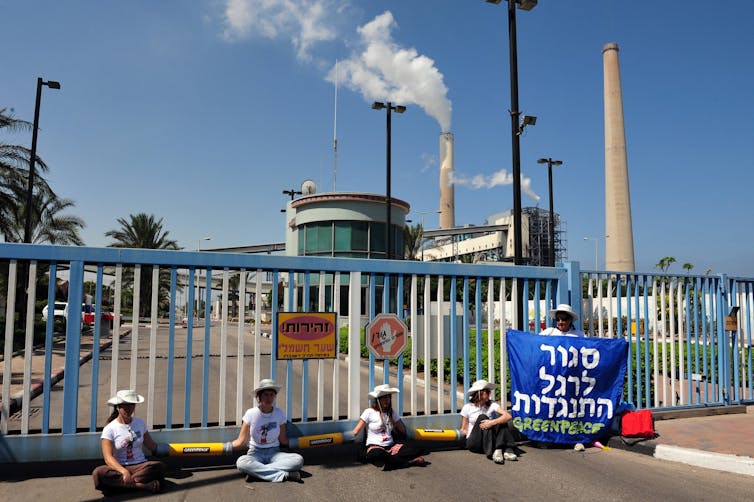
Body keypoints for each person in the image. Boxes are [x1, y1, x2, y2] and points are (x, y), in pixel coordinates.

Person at [224, 379, 304, 482]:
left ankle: (257, 473)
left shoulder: (279, 413)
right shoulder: (250, 413)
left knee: (298, 460)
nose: (269, 398)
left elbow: (283, 440)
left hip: (274, 452)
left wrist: (299, 442)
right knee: (241, 462)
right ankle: (285, 475)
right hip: (255, 453)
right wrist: (225, 447)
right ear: (259, 396)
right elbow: (240, 441)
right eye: (266, 394)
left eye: (271, 394)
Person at [92, 389, 167, 494]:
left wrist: (168, 450)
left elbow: (151, 445)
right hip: (119, 467)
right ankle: (142, 486)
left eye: (132, 405)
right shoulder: (110, 429)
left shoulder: (140, 423)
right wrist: (124, 471)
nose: (129, 408)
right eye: (125, 405)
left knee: (159, 466)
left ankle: (122, 485)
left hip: (140, 466)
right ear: (118, 407)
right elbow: (108, 458)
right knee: (98, 473)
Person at [539, 304, 587, 450]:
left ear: (570, 320)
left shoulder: (579, 335)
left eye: (564, 319)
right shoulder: (548, 332)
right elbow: (534, 346)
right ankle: (546, 438)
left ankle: (575, 439)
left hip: (571, 379)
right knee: (551, 407)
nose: (560, 322)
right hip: (552, 379)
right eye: (558, 319)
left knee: (572, 409)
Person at [352, 384, 428, 470]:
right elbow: (356, 430)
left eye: (388, 397)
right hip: (376, 446)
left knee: (417, 450)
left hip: (391, 446)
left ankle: (389, 462)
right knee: (376, 454)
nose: (387, 400)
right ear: (378, 400)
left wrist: (394, 421)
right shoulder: (369, 412)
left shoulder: (391, 413)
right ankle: (409, 462)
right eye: (384, 398)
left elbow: (403, 430)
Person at [460, 379, 518, 464]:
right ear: (479, 393)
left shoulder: (492, 405)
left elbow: (508, 416)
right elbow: (464, 428)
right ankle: (501, 449)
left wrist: (492, 422)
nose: (489, 394)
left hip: (490, 441)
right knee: (483, 417)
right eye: (487, 392)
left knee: (501, 420)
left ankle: (500, 450)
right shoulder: (467, 407)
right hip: (475, 442)